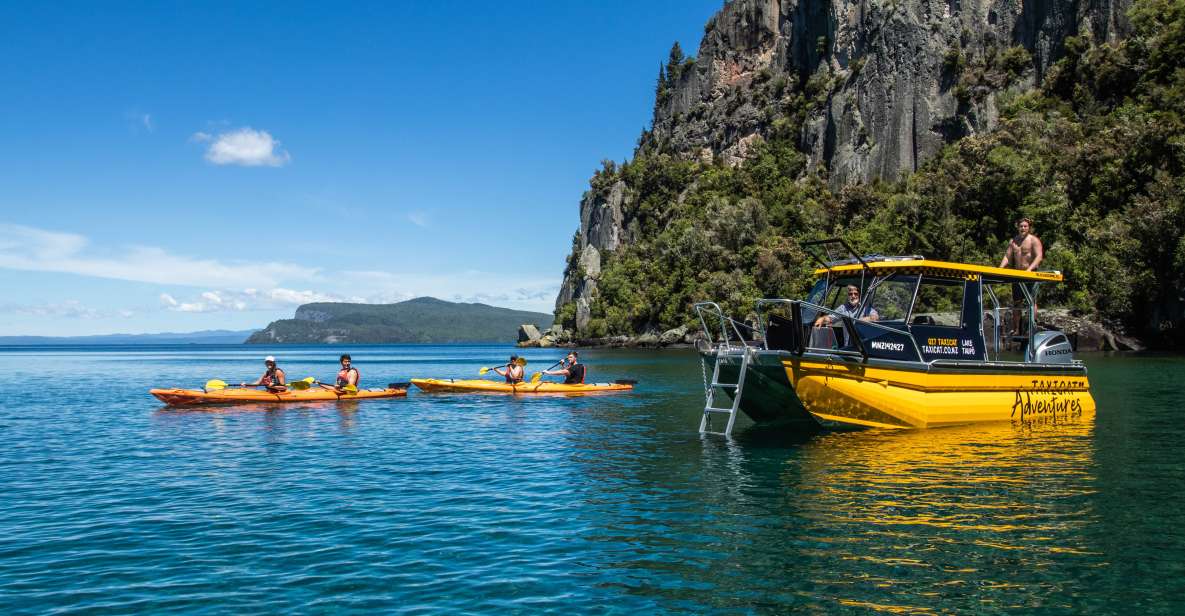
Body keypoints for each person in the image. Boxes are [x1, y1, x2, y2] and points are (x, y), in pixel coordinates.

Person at [999, 217, 1044, 336]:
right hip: (1017, 276)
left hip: (1030, 275)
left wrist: (1029, 270)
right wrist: (1000, 268)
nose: (1023, 228)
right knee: (1016, 303)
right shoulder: (1013, 241)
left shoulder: (1033, 240)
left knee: (1031, 301)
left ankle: (1031, 327)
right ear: (1018, 227)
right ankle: (1017, 329)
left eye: (1025, 226)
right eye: (1021, 226)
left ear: (1029, 228)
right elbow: (1007, 257)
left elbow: (1039, 256)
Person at [814, 285, 878, 327]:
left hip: (862, 344)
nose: (853, 296)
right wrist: (822, 319)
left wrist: (857, 321)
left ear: (859, 295)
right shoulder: (843, 308)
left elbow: (875, 317)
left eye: (855, 294)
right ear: (848, 296)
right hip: (848, 345)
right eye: (850, 294)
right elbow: (831, 318)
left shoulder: (865, 308)